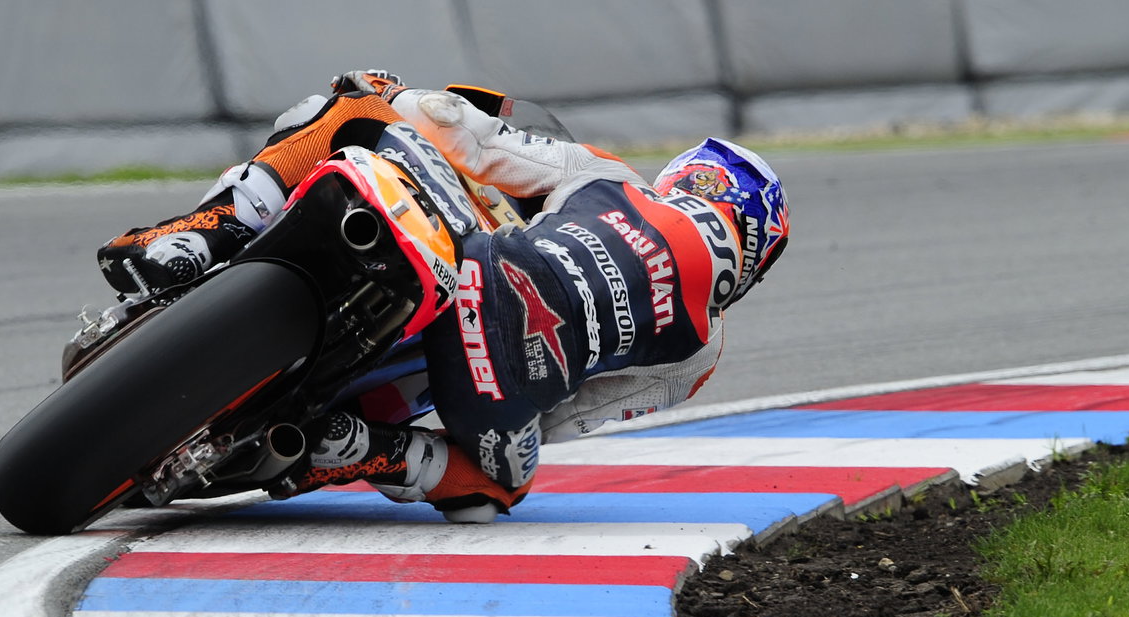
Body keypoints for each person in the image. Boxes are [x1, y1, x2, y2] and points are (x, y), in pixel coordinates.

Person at [96, 70, 790, 523]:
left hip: (479, 266)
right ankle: (359, 447)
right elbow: (573, 416)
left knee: (356, 105)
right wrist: (494, 426)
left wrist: (396, 96)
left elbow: (467, 135)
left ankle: (200, 234)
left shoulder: (612, 180)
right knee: (499, 491)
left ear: (688, 178)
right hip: (496, 389)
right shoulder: (701, 353)